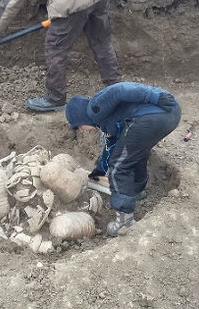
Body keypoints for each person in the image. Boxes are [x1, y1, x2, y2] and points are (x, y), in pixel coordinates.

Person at [65, 82, 181, 237]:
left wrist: (154, 97)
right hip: (169, 114)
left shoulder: (94, 108)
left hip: (154, 114)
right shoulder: (105, 120)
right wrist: (100, 169)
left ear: (80, 117)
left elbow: (120, 90)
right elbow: (113, 147)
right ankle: (136, 191)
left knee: (119, 168)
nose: (81, 130)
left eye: (78, 126)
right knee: (134, 155)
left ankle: (125, 221)